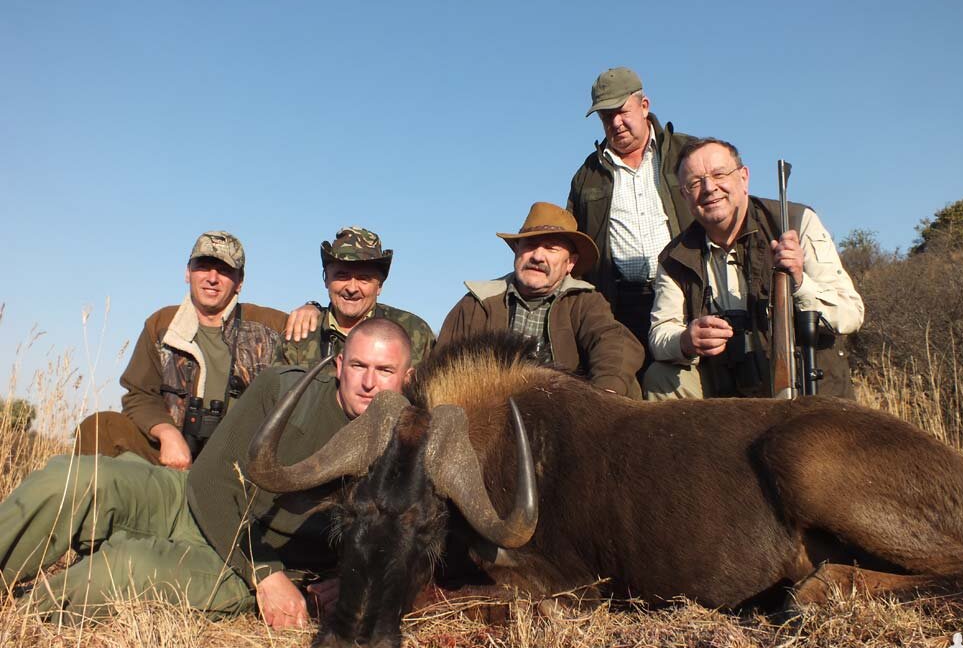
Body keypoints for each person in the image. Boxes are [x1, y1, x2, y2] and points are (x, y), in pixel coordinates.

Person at [0, 319, 414, 629]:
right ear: (339, 365)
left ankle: (19, 617)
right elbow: (210, 481)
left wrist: (348, 581)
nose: (368, 383)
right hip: (192, 504)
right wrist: (265, 574)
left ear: (407, 378)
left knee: (125, 567)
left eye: (385, 371)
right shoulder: (281, 386)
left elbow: (415, 547)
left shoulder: (414, 449)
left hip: (246, 567)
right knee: (71, 478)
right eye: (359, 365)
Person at [644, 138, 864, 399]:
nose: (709, 188)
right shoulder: (674, 257)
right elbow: (660, 334)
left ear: (744, 177)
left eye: (719, 174)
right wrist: (685, 340)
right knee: (661, 377)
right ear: (684, 195)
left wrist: (799, 282)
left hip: (804, 389)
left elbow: (851, 314)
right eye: (695, 182)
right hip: (726, 392)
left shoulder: (797, 221)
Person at [75, 231, 287, 469]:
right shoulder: (161, 324)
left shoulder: (271, 326)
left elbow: (327, 324)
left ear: (240, 282)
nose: (212, 278)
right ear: (188, 273)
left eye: (224, 270)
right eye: (203, 266)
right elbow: (139, 394)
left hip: (238, 465)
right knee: (99, 428)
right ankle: (86, 500)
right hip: (174, 456)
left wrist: (310, 309)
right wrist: (166, 433)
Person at [437, 202, 644, 398]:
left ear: (570, 263)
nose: (537, 256)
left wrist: (605, 393)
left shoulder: (585, 301)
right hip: (491, 416)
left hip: (564, 415)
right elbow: (442, 366)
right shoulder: (476, 303)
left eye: (551, 248)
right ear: (517, 250)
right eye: (530, 244)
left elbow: (615, 344)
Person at [566, 67, 694, 356]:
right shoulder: (586, 175)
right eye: (606, 116)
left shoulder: (687, 153)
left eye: (622, 111)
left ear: (644, 106)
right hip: (617, 306)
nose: (616, 122)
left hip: (686, 299)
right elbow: (572, 243)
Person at [279, 226, 435, 370]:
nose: (352, 288)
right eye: (342, 276)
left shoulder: (415, 334)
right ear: (326, 279)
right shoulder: (300, 334)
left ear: (379, 286)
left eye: (363, 278)